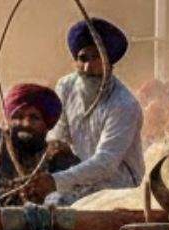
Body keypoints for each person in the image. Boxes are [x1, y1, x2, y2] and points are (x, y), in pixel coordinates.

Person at [43, 17, 144, 201]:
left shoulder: (124, 104)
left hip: (117, 189)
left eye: (96, 56)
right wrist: (55, 146)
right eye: (83, 58)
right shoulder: (65, 87)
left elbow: (106, 162)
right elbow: (57, 135)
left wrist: (55, 180)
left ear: (109, 61)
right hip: (75, 181)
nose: (89, 66)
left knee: (58, 204)